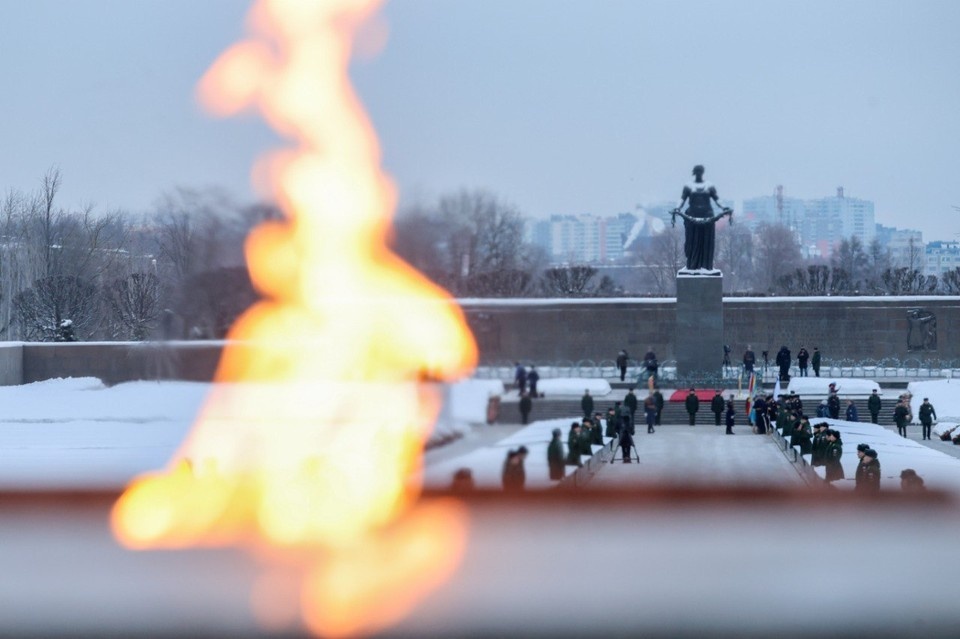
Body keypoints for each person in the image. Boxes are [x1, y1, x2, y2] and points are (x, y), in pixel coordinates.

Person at [670, 164, 732, 270]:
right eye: (697, 171)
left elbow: (717, 199)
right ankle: (693, 265)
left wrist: (724, 207)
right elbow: (682, 199)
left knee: (706, 242)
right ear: (694, 173)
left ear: (702, 173)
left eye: (700, 171)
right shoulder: (689, 186)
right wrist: (677, 208)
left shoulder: (708, 185)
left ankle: (706, 266)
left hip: (707, 217)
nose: (699, 173)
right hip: (692, 217)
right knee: (693, 242)